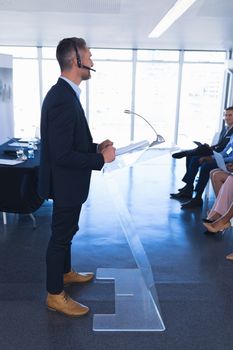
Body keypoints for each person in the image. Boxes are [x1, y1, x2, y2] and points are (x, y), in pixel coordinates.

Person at [38, 37, 116, 317]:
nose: (92, 62)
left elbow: (68, 143)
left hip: (69, 183)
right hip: (66, 182)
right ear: (75, 60)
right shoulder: (62, 99)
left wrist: (96, 148)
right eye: (89, 56)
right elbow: (61, 155)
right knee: (60, 237)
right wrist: (100, 159)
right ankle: (55, 295)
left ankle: (65, 273)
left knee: (67, 233)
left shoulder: (66, 94)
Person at [170, 107, 233, 208]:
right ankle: (188, 188)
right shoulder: (225, 129)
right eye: (226, 115)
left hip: (224, 160)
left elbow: (227, 153)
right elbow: (225, 149)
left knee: (203, 163)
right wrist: (212, 151)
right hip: (219, 155)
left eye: (230, 115)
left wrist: (213, 157)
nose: (227, 117)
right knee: (193, 157)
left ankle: (197, 197)